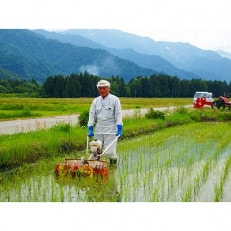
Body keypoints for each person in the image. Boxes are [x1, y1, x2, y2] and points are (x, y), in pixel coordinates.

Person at [87, 79, 123, 166]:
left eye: (104, 88)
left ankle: (113, 167)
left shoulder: (115, 99)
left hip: (111, 129)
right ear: (98, 89)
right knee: (95, 150)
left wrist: (119, 128)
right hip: (99, 128)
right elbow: (92, 115)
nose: (102, 90)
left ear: (108, 88)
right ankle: (97, 168)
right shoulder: (95, 101)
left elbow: (118, 114)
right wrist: (90, 128)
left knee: (110, 152)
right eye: (100, 88)